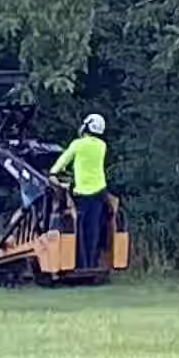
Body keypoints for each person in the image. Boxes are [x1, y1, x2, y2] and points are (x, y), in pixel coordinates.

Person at [52, 113, 109, 269]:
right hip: (100, 191)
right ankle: (92, 264)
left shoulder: (78, 144)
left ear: (87, 126)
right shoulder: (102, 146)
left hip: (83, 193)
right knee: (93, 229)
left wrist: (53, 172)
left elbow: (63, 161)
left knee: (80, 230)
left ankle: (80, 266)